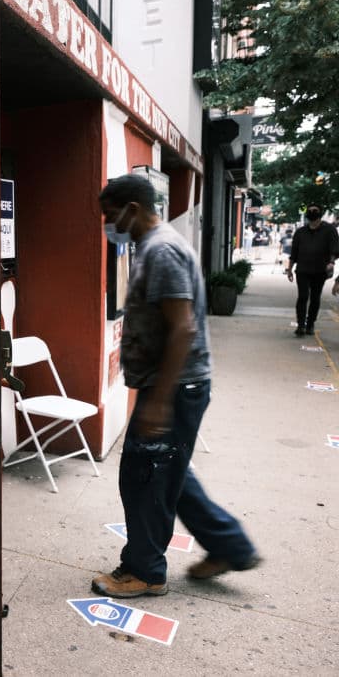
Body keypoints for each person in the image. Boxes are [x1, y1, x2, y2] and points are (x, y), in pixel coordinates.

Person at [92, 174, 259, 599]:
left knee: (144, 478)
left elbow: (182, 329)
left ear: (131, 209)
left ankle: (144, 571)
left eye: (110, 216)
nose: (108, 225)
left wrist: (159, 402)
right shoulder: (154, 245)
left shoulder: (161, 250)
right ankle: (230, 546)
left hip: (175, 386)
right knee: (169, 473)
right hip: (176, 385)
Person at [285, 204, 339, 336]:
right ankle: (301, 325)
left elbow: (334, 248)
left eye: (315, 211)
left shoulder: (330, 230)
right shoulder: (300, 232)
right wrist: (289, 269)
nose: (312, 214)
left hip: (320, 270)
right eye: (310, 212)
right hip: (303, 269)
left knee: (315, 298)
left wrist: (331, 262)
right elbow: (294, 253)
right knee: (303, 297)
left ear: (320, 214)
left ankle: (310, 324)